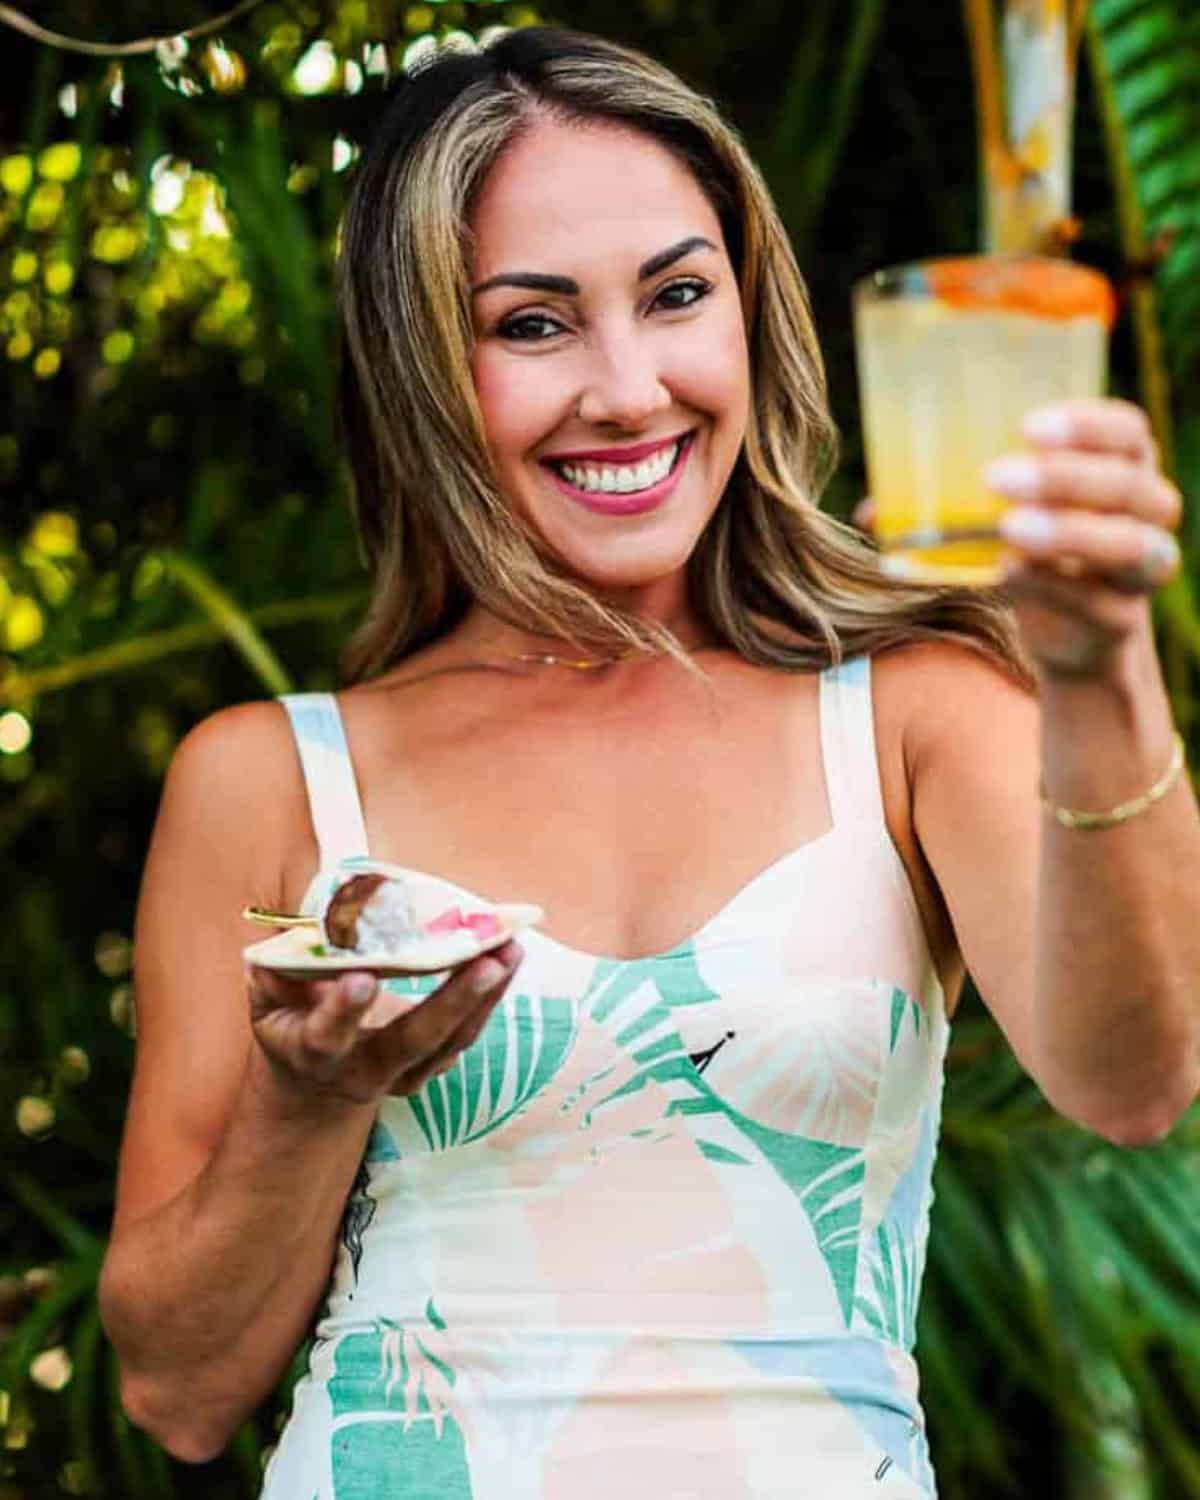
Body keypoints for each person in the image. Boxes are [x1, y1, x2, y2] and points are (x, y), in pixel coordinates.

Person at [97, 25, 1199, 1500]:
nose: (627, 390)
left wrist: (1102, 661)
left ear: (751, 315)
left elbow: (1132, 1084)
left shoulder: (914, 710)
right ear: (421, 364)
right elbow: (177, 1388)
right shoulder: (274, 779)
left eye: (677, 297)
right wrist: (307, 1101)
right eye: (533, 324)